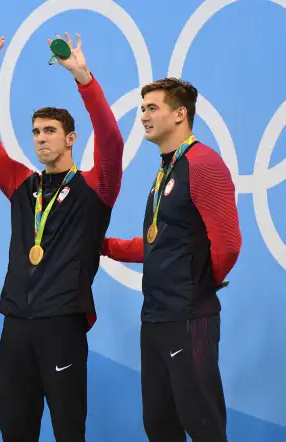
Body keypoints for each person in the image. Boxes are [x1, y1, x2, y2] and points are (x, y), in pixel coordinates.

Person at [0, 33, 124, 441]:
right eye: (36, 131)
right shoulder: (22, 184)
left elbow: (111, 140)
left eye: (50, 130)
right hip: (16, 323)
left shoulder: (96, 187)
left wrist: (84, 80)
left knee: (69, 430)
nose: (40, 138)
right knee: (14, 430)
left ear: (70, 138)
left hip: (62, 324)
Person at [101, 78, 242, 442]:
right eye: (142, 108)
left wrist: (194, 284)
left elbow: (228, 245)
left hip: (188, 315)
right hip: (155, 317)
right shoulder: (166, 169)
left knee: (203, 424)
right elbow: (159, 244)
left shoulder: (204, 164)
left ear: (180, 114)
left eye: (152, 107)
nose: (143, 115)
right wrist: (102, 246)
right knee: (160, 426)